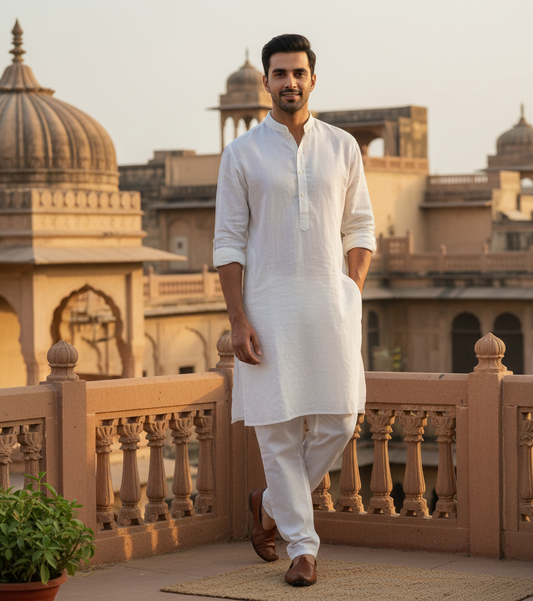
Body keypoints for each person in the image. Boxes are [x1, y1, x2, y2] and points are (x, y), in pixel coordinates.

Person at [213, 33, 375, 586]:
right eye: (279, 74)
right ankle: (302, 549)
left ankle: (270, 506)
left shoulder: (341, 146)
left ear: (312, 78)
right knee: (278, 428)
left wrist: (351, 290)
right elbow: (229, 242)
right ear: (266, 82)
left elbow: (361, 225)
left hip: (330, 305)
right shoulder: (242, 154)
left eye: (298, 73)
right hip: (269, 307)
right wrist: (238, 319)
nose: (289, 82)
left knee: (341, 418)